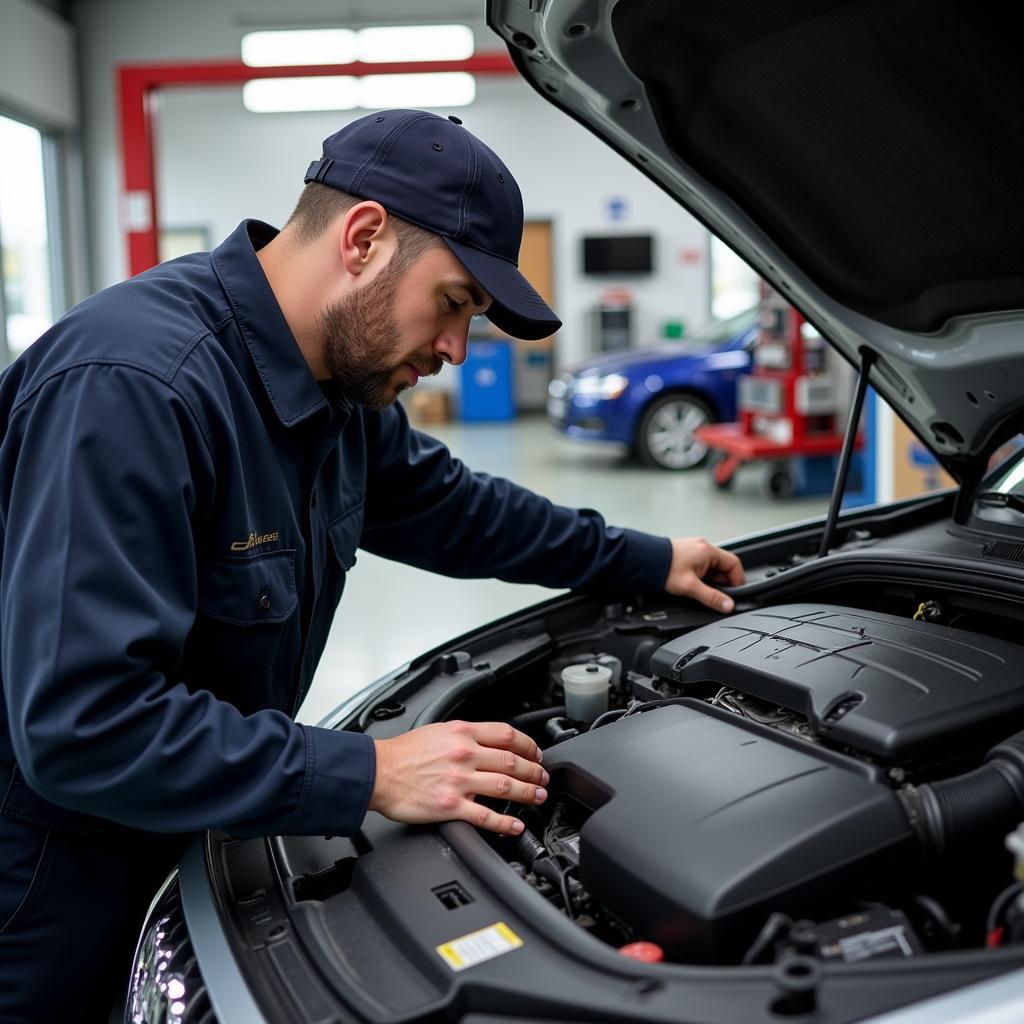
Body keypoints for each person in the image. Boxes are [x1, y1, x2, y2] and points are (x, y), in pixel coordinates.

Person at [0, 109, 744, 1018]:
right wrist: (369, 773)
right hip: (48, 885)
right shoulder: (134, 387)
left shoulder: (336, 392)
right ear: (364, 239)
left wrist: (646, 557)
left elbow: (459, 512)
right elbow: (84, 723)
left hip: (193, 823)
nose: (455, 351)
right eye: (455, 302)